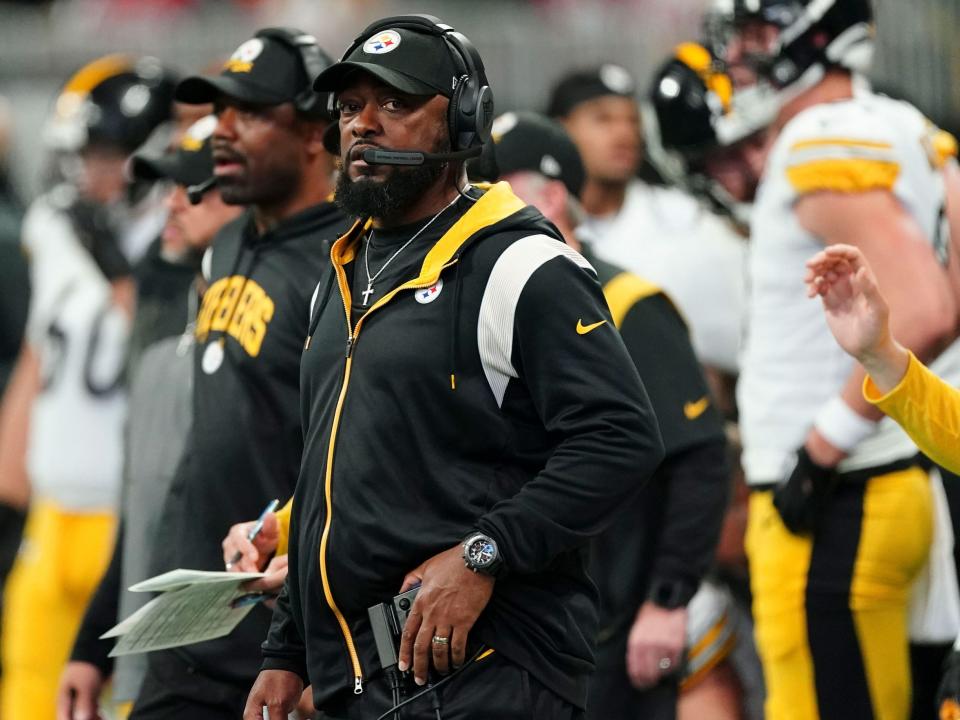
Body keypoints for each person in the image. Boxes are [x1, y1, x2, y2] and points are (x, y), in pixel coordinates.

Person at [242, 15, 664, 720]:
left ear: (466, 121)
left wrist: (484, 553)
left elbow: (621, 439)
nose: (363, 125)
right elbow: (326, 475)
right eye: (349, 108)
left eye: (397, 104)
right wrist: (286, 652)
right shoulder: (343, 275)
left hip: (487, 672)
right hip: (371, 674)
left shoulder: (524, 264)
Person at [725, 1, 960, 717]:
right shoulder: (908, 127)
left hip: (840, 494)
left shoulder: (819, 138)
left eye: (758, 33)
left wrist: (825, 441)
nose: (741, 53)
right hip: (909, 472)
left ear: (815, 33)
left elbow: (928, 308)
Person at [473, 110, 732, 720]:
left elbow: (699, 459)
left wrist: (668, 600)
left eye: (494, 190)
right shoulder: (481, 309)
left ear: (553, 194)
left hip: (614, 626)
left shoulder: (627, 303)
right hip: (525, 623)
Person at [121, 28, 347, 720]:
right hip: (189, 632)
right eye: (218, 113)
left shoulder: (345, 264)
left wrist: (315, 660)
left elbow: (353, 458)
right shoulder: (223, 247)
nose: (221, 132)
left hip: (280, 645)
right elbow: (198, 454)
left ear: (313, 133)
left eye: (247, 114)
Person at [0, 54, 178, 720]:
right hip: (52, 505)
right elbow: (36, 358)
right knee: (26, 691)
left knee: (124, 699)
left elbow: (163, 361)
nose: (88, 173)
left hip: (123, 511)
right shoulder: (53, 227)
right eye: (83, 154)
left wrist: (118, 270)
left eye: (104, 154)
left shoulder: (179, 232)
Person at [55, 114, 243, 720]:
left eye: (190, 185)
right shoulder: (171, 335)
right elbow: (146, 506)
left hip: (232, 660)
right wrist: (93, 644)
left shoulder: (284, 326)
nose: (170, 202)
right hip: (158, 657)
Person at [546, 63, 746, 377]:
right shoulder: (529, 221)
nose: (624, 133)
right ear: (558, 129)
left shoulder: (687, 219)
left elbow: (741, 340)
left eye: (632, 120)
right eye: (603, 118)